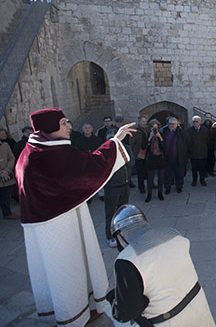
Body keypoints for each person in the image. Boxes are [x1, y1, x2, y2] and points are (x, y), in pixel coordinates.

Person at [15, 107, 134, 326]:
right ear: (50, 127)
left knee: (74, 265)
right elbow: (89, 166)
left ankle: (85, 306)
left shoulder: (33, 151)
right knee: (66, 269)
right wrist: (116, 141)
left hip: (56, 219)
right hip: (57, 226)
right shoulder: (46, 156)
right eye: (64, 123)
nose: (70, 126)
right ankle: (72, 316)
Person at [106, 204, 216, 326]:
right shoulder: (173, 234)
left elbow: (126, 313)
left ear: (121, 234)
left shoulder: (127, 260)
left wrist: (111, 295)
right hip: (199, 309)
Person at [103, 128, 134, 248]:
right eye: (110, 136)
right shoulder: (105, 150)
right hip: (112, 186)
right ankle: (110, 236)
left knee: (123, 212)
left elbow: (131, 163)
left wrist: (120, 151)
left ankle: (123, 234)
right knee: (110, 212)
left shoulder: (125, 147)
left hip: (124, 184)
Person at [162, 117, 190, 195]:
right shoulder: (165, 132)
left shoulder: (182, 133)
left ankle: (179, 187)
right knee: (167, 174)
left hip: (179, 158)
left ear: (177, 124)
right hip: (167, 158)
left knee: (179, 174)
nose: (171, 126)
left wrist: (185, 155)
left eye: (173, 124)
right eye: (170, 124)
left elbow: (188, 143)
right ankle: (167, 188)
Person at [143, 119, 166, 202]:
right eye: (153, 127)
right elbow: (143, 146)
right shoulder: (146, 135)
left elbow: (164, 147)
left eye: (156, 127)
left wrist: (160, 138)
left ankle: (160, 192)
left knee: (161, 177)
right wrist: (149, 138)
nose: (154, 129)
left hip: (160, 158)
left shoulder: (161, 134)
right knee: (150, 178)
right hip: (151, 158)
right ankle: (149, 194)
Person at [188, 116, 210, 187]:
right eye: (194, 122)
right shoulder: (189, 131)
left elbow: (208, 140)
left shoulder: (205, 130)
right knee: (194, 168)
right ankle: (194, 180)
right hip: (193, 154)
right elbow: (188, 142)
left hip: (202, 153)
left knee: (202, 168)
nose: (195, 123)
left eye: (196, 121)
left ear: (200, 122)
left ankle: (202, 180)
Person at [130, 115, 149, 194]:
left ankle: (150, 184)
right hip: (139, 156)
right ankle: (141, 188)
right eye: (143, 121)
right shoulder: (135, 132)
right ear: (139, 122)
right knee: (140, 173)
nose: (144, 123)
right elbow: (131, 144)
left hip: (147, 154)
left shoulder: (148, 130)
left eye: (145, 121)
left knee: (148, 171)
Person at [0, 138, 17, 220]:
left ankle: (7, 213)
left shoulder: (5, 145)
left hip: (6, 176)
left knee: (6, 195)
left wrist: (7, 170)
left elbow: (11, 158)